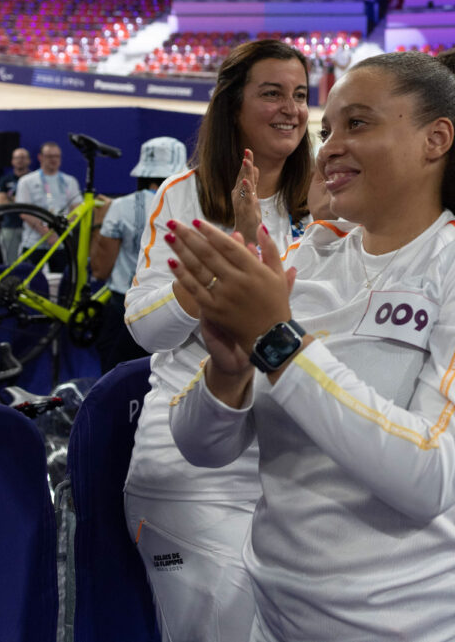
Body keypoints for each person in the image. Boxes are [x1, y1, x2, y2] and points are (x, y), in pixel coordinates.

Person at [164, 49, 455, 642]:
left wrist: (277, 342)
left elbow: (431, 474)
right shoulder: (304, 261)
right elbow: (201, 447)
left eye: (358, 123)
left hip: (427, 627)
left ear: (436, 139)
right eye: (328, 130)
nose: (329, 147)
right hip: (279, 622)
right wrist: (228, 366)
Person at [122, 39, 315, 642]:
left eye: (302, 95)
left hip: (293, 467)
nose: (292, 108)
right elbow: (145, 330)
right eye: (273, 92)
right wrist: (210, 275)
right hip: (192, 466)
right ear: (233, 107)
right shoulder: (183, 195)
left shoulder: (332, 201)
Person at [90, 137, 187, 372]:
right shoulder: (190, 206)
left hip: (124, 311)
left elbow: (101, 270)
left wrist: (99, 222)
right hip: (173, 308)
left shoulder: (121, 207)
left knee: (118, 386)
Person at [14, 141, 81, 258]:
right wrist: (48, 234)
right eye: (49, 156)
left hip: (62, 243)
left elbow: (76, 208)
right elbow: (24, 212)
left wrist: (61, 230)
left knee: (63, 276)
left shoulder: (70, 181)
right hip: (33, 243)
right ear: (40, 157)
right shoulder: (26, 181)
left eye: (57, 156)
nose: (53, 160)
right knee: (31, 275)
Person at [0, 146, 32, 266]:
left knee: (32, 264)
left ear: (29, 160)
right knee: (11, 264)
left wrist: (12, 199)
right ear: (12, 161)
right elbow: (0, 204)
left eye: (23, 157)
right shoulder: (5, 180)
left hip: (33, 228)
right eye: (17, 158)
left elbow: (36, 204)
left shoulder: (34, 179)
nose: (20, 160)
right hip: (10, 227)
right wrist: (23, 201)